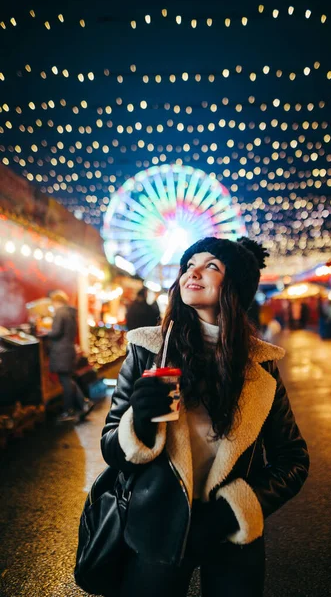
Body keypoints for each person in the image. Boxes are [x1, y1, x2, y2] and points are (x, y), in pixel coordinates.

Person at [101, 237, 309, 597]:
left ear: (235, 287)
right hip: (157, 527)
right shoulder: (147, 351)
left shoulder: (261, 366)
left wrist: (235, 510)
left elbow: (292, 460)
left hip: (231, 535)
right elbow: (111, 449)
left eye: (211, 265)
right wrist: (138, 423)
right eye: (189, 264)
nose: (192, 272)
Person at [47, 290, 94, 422]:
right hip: (69, 349)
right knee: (68, 379)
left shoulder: (60, 313)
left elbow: (56, 332)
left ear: (56, 302)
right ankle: (84, 403)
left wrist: (46, 332)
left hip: (61, 351)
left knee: (65, 381)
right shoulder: (70, 313)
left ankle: (69, 410)